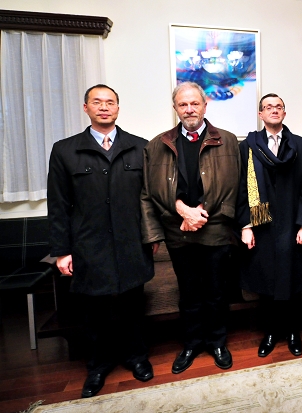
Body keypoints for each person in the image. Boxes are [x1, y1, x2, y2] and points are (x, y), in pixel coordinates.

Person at [47, 84, 155, 398]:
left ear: (118, 108)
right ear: (86, 108)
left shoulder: (140, 147)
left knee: (133, 307)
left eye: (110, 102)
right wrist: (61, 251)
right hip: (89, 245)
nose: (104, 107)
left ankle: (137, 357)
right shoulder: (65, 150)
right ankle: (97, 366)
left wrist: (152, 237)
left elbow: (149, 198)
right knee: (95, 312)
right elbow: (58, 204)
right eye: (97, 102)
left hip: (131, 242)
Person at [140, 81, 240, 373]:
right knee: (189, 293)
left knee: (216, 292)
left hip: (216, 230)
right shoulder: (157, 145)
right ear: (175, 108)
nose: (189, 109)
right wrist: (182, 210)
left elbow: (235, 186)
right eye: (183, 104)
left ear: (205, 106)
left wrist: (200, 214)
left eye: (195, 103)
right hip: (178, 232)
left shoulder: (228, 141)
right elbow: (149, 191)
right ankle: (192, 343)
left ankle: (218, 342)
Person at [237, 93, 302, 357]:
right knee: (267, 279)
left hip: (292, 223)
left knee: (292, 279)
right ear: (260, 114)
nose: (274, 110)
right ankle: (271, 332)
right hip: (262, 223)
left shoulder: (301, 146)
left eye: (278, 106)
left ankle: (293, 331)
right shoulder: (248, 147)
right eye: (268, 107)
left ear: (284, 112)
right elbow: (241, 188)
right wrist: (246, 226)